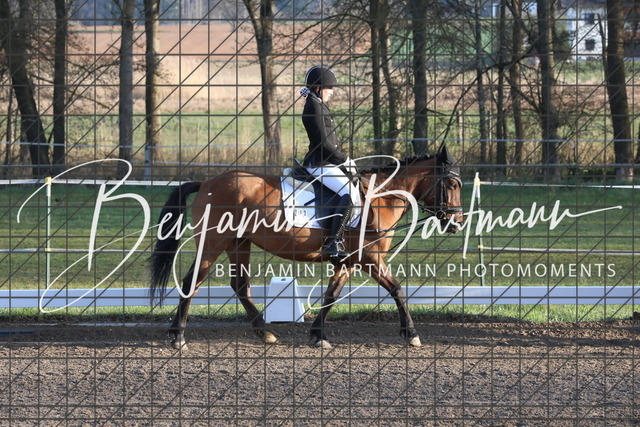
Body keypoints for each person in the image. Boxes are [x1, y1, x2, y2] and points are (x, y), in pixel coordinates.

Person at [301, 65, 357, 260]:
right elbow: (323, 145)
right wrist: (344, 160)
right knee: (349, 193)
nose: (332, 92)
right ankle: (333, 242)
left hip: (326, 162)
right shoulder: (313, 107)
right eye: (329, 88)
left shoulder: (317, 104)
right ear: (318, 88)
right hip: (319, 163)